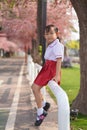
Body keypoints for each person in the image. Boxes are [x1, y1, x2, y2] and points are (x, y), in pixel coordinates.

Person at [31, 24, 70, 129]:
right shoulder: (51, 44)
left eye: (51, 33)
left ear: (57, 34)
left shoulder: (58, 45)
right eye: (46, 34)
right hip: (47, 67)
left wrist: (57, 76)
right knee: (35, 88)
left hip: (50, 69)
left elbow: (58, 61)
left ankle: (41, 112)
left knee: (35, 88)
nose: (48, 36)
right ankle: (43, 104)